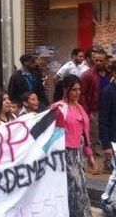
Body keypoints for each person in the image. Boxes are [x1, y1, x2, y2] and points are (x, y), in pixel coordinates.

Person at [52, 74, 96, 217]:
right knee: (74, 189)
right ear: (66, 90)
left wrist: (89, 155)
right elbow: (53, 135)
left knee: (81, 188)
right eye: (74, 90)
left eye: (79, 89)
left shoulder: (80, 107)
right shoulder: (59, 108)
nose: (77, 93)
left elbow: (85, 133)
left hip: (79, 154)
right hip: (65, 154)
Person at [80, 49, 109, 172]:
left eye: (100, 60)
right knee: (94, 139)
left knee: (107, 138)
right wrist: (87, 112)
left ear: (106, 61)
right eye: (95, 60)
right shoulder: (87, 75)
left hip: (108, 111)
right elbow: (82, 94)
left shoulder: (110, 74)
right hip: (94, 110)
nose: (97, 62)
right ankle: (95, 166)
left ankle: (108, 164)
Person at [99, 61, 116, 215]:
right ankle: (106, 201)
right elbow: (102, 120)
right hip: (113, 139)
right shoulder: (108, 92)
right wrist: (105, 145)